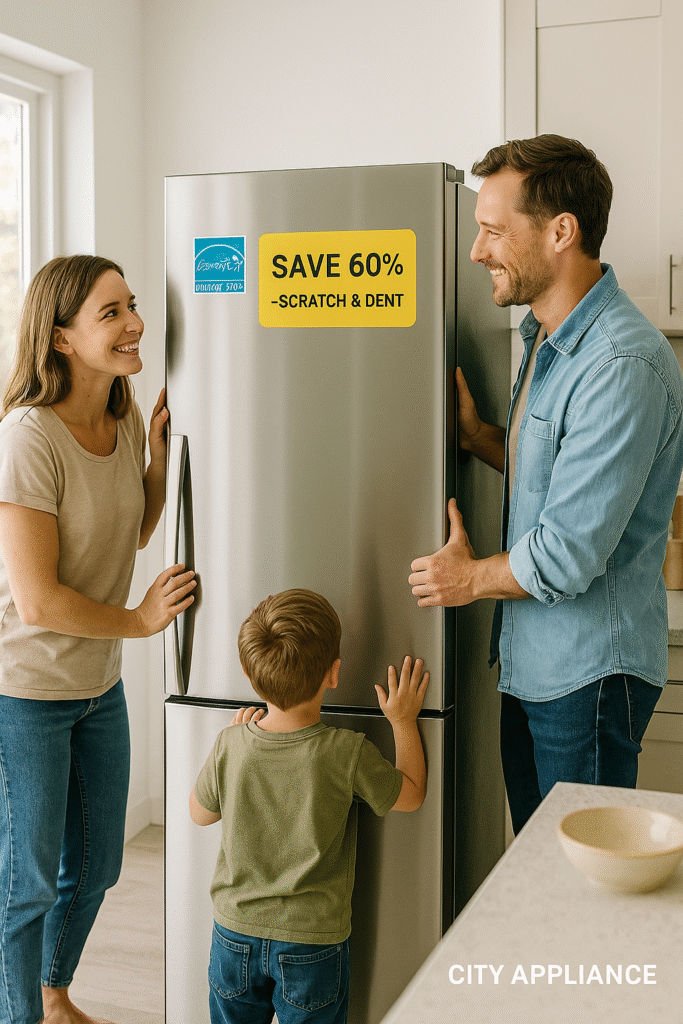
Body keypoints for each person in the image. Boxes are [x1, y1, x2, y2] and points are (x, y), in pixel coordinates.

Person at [408, 135, 683, 835]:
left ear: (561, 231)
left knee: (576, 889)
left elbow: (565, 551)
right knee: (540, 871)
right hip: (533, 664)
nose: (476, 251)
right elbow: (560, 478)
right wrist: (478, 439)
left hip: (587, 677)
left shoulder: (620, 360)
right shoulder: (545, 338)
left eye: (494, 231)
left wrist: (464, 580)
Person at [0, 254, 197, 1024]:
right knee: (27, 881)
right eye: (110, 313)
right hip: (26, 692)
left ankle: (52, 994)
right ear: (59, 338)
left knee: (99, 865)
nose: (135, 323)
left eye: (132, 305)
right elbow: (39, 600)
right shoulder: (27, 438)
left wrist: (154, 459)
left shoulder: (117, 417)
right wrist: (142, 621)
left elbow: (132, 532)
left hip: (96, 686)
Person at [190, 588, 429, 1024]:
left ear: (248, 674)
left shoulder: (231, 744)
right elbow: (411, 795)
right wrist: (402, 721)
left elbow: (199, 812)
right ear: (334, 673)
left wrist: (234, 744)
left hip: (233, 936)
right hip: (312, 946)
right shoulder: (345, 751)